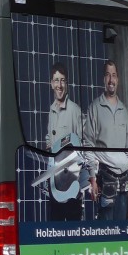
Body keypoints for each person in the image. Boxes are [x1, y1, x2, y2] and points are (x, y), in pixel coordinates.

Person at [85, 60, 128, 220]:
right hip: (105, 180)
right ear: (103, 79)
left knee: (121, 231)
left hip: (124, 182)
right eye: (108, 75)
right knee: (105, 232)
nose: (111, 80)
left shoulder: (123, 110)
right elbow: (88, 146)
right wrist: (92, 179)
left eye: (114, 75)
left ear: (118, 80)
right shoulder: (94, 107)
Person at [44, 63, 86, 220]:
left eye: (62, 80)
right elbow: (51, 138)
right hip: (54, 182)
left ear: (66, 84)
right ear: (51, 83)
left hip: (71, 182)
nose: (59, 85)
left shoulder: (75, 110)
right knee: (55, 226)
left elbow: (84, 144)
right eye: (56, 81)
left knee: (72, 229)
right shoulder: (51, 110)